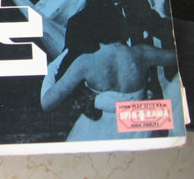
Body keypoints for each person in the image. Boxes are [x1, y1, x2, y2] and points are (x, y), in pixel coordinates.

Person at [57, 0, 174, 83]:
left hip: (148, 87)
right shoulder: (79, 22)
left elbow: (168, 34)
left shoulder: (139, 6)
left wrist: (162, 14)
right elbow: (67, 68)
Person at [41, 42, 177, 141]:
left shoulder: (86, 62)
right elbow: (179, 58)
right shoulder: (142, 53)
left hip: (98, 132)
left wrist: (50, 71)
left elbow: (47, 103)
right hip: (139, 131)